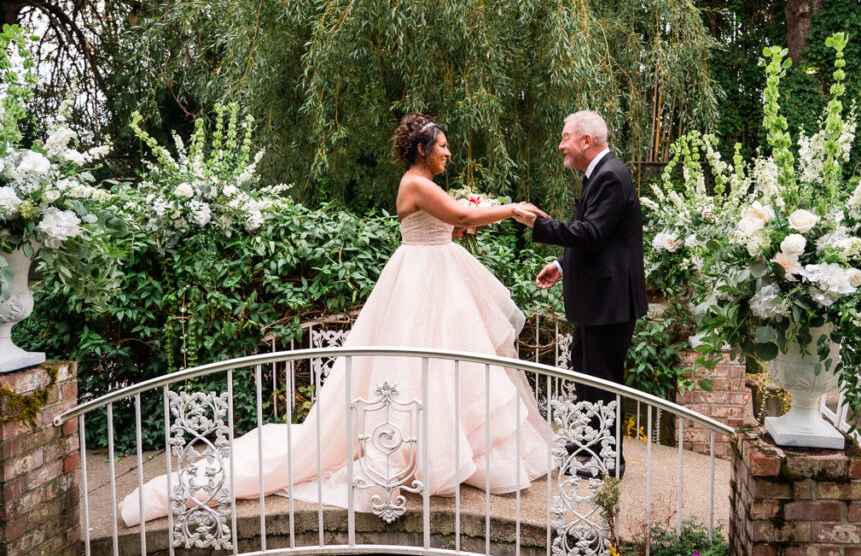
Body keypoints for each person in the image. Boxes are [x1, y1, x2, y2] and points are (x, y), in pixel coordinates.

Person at [120, 113, 553, 526]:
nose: (449, 154)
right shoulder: (415, 184)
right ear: (422, 149)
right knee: (419, 365)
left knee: (445, 364)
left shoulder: (425, 184)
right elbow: (458, 215)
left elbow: (452, 225)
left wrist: (469, 222)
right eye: (443, 147)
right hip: (420, 281)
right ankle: (417, 453)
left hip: (441, 279)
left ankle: (449, 450)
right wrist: (510, 209)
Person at [511, 110, 647, 479]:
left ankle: (609, 460)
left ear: (587, 141)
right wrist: (563, 265)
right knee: (586, 374)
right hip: (598, 297)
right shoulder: (600, 175)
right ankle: (590, 440)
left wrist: (537, 224)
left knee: (603, 378)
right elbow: (600, 240)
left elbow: (589, 233)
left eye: (566, 137)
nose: (561, 145)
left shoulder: (611, 177)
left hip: (610, 301)